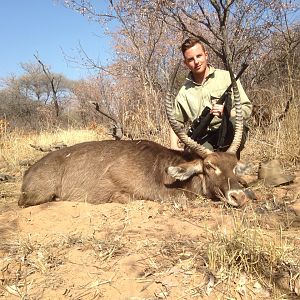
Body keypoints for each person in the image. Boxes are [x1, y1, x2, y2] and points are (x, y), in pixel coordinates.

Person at [170, 37, 252, 158]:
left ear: (206, 55)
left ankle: (231, 161)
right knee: (200, 157)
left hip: (228, 130)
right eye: (191, 59)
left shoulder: (227, 77)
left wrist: (227, 112)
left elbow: (247, 108)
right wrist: (173, 146)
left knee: (234, 123)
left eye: (199, 56)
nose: (196, 62)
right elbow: (176, 121)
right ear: (186, 63)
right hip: (204, 137)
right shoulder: (184, 92)